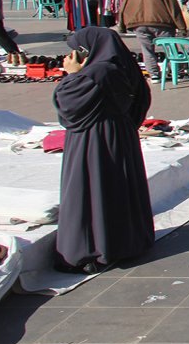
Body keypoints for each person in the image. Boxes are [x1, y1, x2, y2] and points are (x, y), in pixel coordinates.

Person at [53, 27, 154, 274]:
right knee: (116, 186)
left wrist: (72, 75)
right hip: (119, 134)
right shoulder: (121, 67)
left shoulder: (96, 73)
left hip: (93, 138)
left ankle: (94, 247)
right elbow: (141, 100)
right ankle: (123, 240)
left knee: (92, 187)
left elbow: (68, 106)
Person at [119, 0, 187, 83]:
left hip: (139, 25)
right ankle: (176, 73)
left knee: (147, 50)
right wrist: (182, 28)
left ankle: (154, 75)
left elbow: (122, 9)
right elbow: (174, 10)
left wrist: (121, 27)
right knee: (170, 49)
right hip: (162, 24)